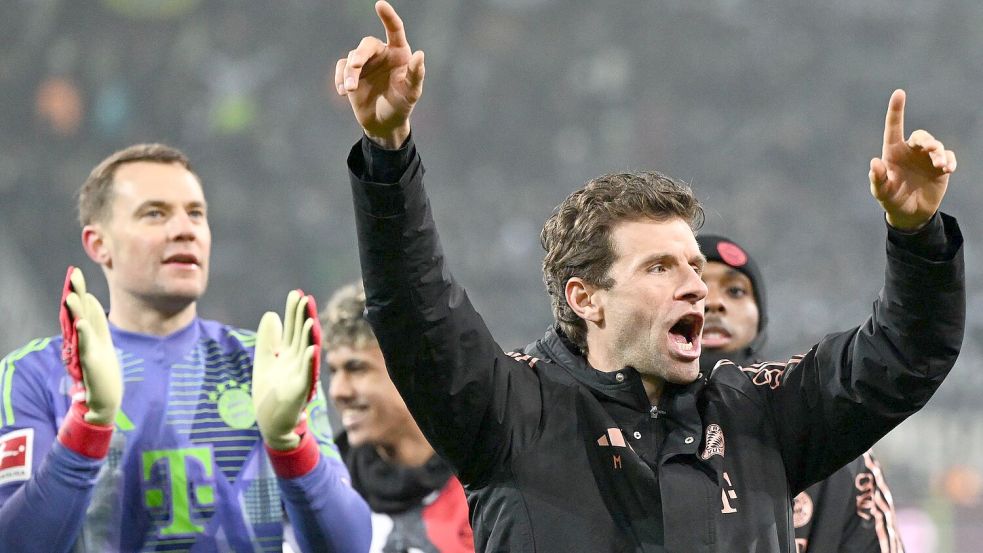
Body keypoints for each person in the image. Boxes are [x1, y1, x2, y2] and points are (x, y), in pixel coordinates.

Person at [336, 2, 964, 551]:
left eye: (694, 265)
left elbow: (902, 359)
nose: (698, 286)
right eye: (660, 267)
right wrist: (389, 155)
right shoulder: (511, 410)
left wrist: (916, 236)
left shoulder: (759, 412)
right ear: (587, 298)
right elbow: (417, 312)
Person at [0, 144, 372, 552]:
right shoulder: (34, 373)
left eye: (196, 213)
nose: (185, 229)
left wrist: (290, 441)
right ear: (98, 244)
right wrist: (87, 427)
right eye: (154, 213)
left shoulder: (269, 367)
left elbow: (348, 546)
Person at [697, 233, 904, 553]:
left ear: (759, 318)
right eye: (696, 288)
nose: (713, 302)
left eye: (735, 290)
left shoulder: (827, 432)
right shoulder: (623, 424)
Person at [322, 281, 474, 553]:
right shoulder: (324, 489)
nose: (337, 391)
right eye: (333, 371)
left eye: (356, 368)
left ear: (411, 369)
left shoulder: (486, 478)